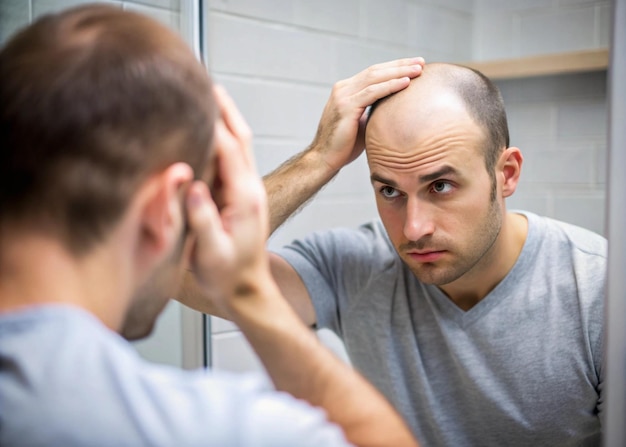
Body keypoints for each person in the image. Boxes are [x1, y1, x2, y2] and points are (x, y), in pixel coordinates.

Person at [0, 5, 422, 447]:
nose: (414, 228)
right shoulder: (185, 426)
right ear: (165, 209)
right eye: (390, 191)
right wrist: (247, 288)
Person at [182, 62, 606, 445]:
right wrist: (317, 159)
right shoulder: (357, 266)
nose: (413, 228)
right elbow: (184, 270)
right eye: (390, 191)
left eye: (440, 186)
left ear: (506, 173)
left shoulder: (599, 290)